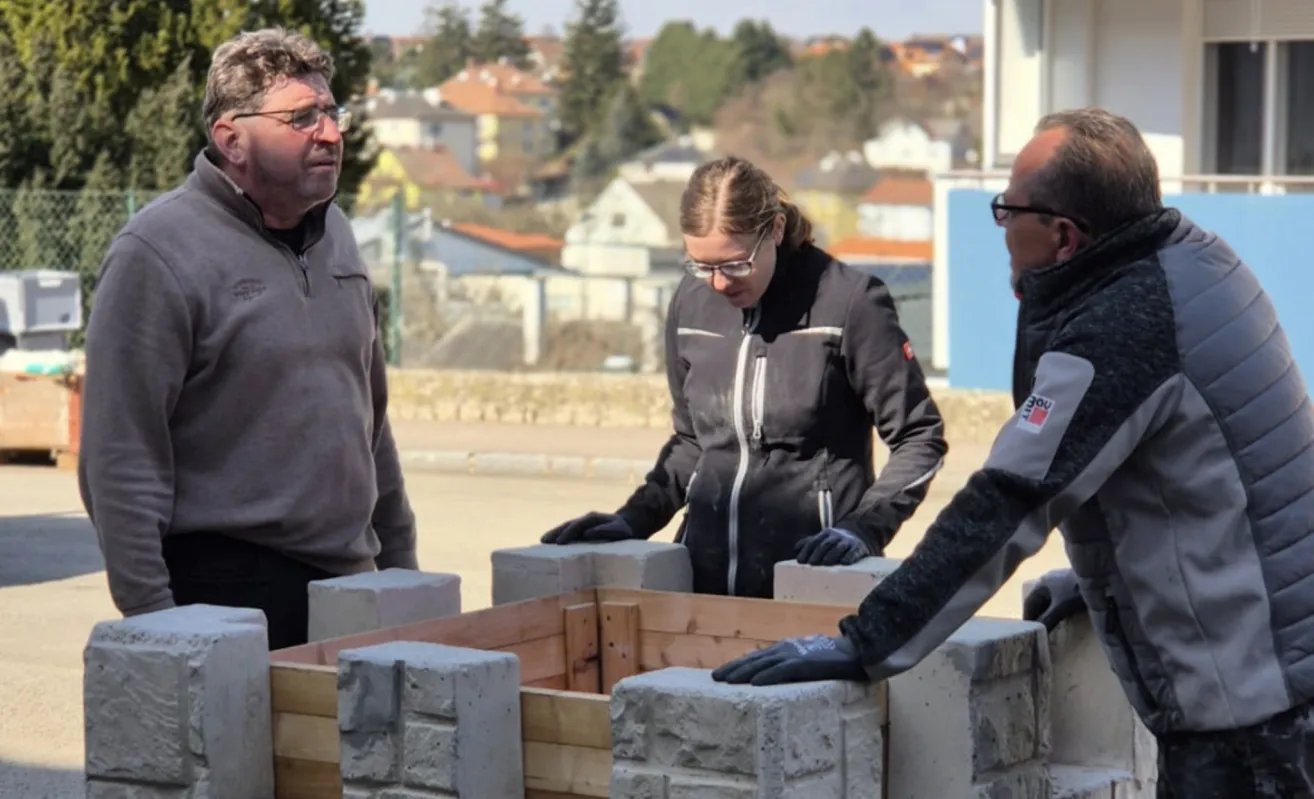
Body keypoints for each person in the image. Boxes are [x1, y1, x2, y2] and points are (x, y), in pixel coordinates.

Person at [709, 107, 1314, 796]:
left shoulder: (1123, 324)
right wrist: (1105, 583)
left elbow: (1010, 497)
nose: (999, 224)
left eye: (1009, 209)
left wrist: (865, 641)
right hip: (1282, 667)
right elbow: (1201, 473)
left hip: (1251, 716)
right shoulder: (1191, 260)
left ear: (1063, 234)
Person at [77, 28, 417, 650]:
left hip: (350, 585)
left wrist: (401, 574)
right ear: (231, 138)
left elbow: (370, 424)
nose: (330, 133)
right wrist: (155, 618)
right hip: (223, 591)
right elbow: (118, 452)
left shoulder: (338, 236)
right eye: (302, 117)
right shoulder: (156, 252)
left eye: (332, 112)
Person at [540, 156, 948, 599]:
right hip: (702, 586)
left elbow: (919, 437)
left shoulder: (850, 302)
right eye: (702, 265)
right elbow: (692, 441)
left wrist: (862, 529)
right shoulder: (690, 303)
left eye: (735, 265)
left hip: (813, 583)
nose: (718, 284)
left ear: (775, 230)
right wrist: (633, 518)